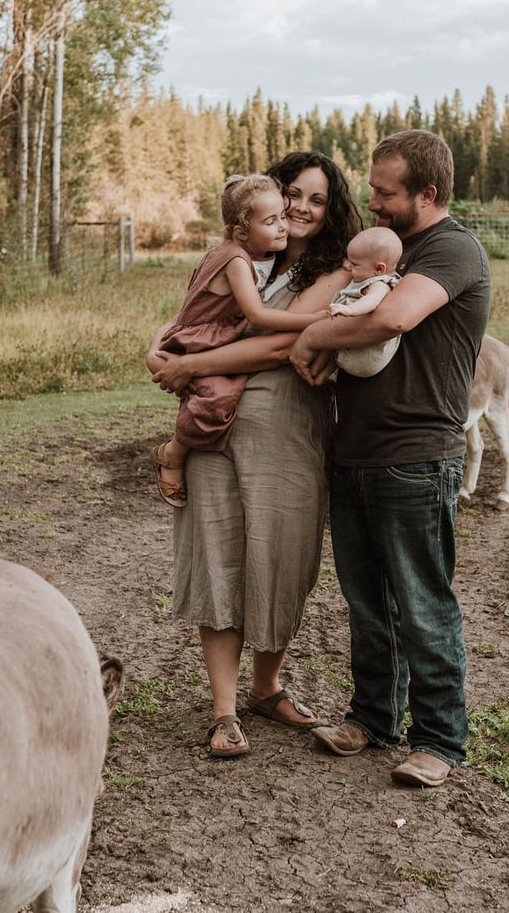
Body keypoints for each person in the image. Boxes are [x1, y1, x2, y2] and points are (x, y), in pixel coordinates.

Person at [289, 129, 490, 788]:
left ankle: (438, 738)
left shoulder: (451, 249)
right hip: (355, 452)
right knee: (367, 602)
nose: (371, 201)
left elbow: (392, 319)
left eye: (385, 192)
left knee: (421, 604)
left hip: (416, 456)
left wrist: (318, 334)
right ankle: (373, 717)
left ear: (426, 195)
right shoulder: (383, 251)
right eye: (371, 188)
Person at [146, 152, 362, 758]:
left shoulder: (333, 272)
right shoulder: (243, 258)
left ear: (331, 211)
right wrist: (160, 348)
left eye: (316, 200)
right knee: (218, 549)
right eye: (292, 193)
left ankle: (266, 687)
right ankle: (222, 710)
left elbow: (275, 346)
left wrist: (190, 365)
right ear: (265, 198)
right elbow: (190, 316)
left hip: (287, 429)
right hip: (217, 423)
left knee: (281, 553)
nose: (300, 208)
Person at [150, 174, 325, 508]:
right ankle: (173, 452)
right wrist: (312, 320)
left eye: (282, 218)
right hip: (200, 339)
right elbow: (257, 315)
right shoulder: (235, 260)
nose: (283, 227)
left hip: (206, 336)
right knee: (216, 397)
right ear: (243, 231)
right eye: (271, 221)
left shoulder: (237, 253)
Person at [327, 226, 404, 378]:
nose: (349, 267)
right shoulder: (368, 276)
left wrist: (350, 310)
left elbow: (372, 300)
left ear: (379, 268)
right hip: (350, 346)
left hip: (366, 357)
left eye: (355, 264)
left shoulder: (380, 283)